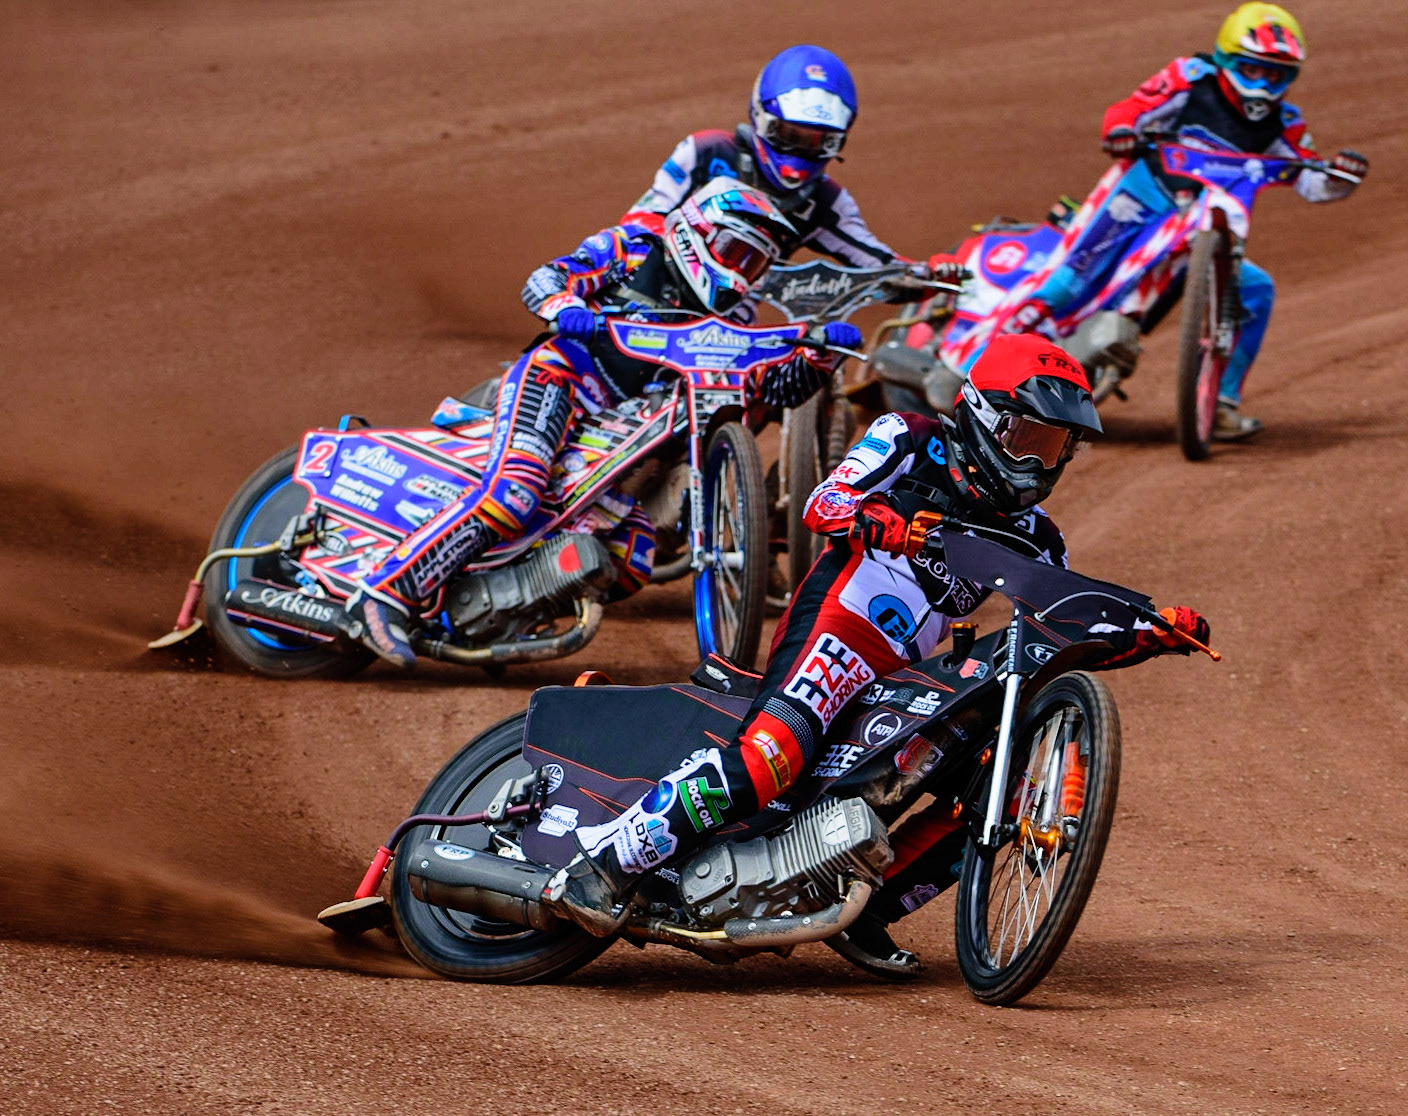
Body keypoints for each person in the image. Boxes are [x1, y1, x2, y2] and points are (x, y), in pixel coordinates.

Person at [547, 333, 1210, 975]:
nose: (1039, 462)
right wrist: (876, 517)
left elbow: (1058, 628)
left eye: (1056, 446)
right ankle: (604, 866)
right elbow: (822, 502)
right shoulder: (908, 437)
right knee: (770, 758)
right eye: (1028, 438)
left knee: (979, 783)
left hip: (913, 668)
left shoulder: (1039, 538)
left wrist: (1144, 633)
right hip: (842, 621)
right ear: (983, 414)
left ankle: (869, 909)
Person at [343, 180, 861, 668]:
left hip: (615, 431)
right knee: (515, 493)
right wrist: (565, 306)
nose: (740, 274)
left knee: (632, 554)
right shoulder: (636, 249)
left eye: (754, 264)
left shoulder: (727, 320)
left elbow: (768, 391)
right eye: (734, 253)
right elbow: (548, 277)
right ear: (696, 234)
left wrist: (820, 357)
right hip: (562, 380)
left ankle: (496, 615)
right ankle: (383, 594)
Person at [950, 3, 1368, 440]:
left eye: (1276, 75)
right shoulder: (1190, 79)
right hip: (1138, 203)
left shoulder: (1285, 124)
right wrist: (1122, 129)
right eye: (1252, 69)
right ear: (1226, 60)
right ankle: (965, 378)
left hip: (1199, 234)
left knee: (1256, 290)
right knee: (1063, 287)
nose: (1263, 85)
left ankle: (1219, 404)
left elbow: (1313, 179)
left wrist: (1343, 178)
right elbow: (1132, 108)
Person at [617, 43, 964, 286]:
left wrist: (928, 274)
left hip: (727, 329)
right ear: (761, 116)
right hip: (647, 296)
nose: (797, 157)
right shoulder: (706, 152)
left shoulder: (826, 204)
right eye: (787, 134)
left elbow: (879, 263)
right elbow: (639, 220)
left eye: (817, 142)